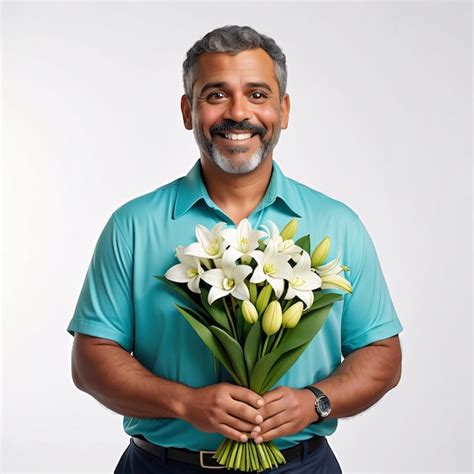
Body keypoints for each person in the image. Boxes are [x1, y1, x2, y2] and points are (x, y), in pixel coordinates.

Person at [68, 25, 403, 473]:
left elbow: (382, 355)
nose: (239, 112)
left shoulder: (337, 225)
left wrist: (315, 402)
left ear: (283, 110)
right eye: (216, 95)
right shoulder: (133, 225)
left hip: (300, 467)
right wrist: (185, 402)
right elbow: (91, 359)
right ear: (188, 111)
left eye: (258, 94)